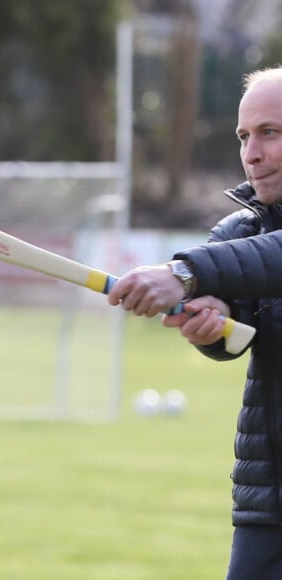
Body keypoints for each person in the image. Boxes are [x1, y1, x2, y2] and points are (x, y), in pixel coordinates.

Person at [109, 66, 282, 579]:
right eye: (244, 137)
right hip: (269, 502)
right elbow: (241, 323)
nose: (252, 154)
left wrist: (182, 273)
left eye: (270, 133)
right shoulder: (242, 230)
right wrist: (217, 324)